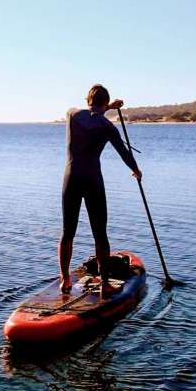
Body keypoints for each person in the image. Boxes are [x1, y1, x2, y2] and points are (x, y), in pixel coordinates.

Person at [59, 84, 142, 297]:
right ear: (105, 103)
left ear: (87, 100)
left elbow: (90, 113)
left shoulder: (72, 115)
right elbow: (124, 153)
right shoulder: (107, 127)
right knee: (100, 234)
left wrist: (105, 107)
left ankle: (65, 279)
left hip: (71, 179)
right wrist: (136, 170)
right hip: (92, 180)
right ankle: (105, 283)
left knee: (68, 232)